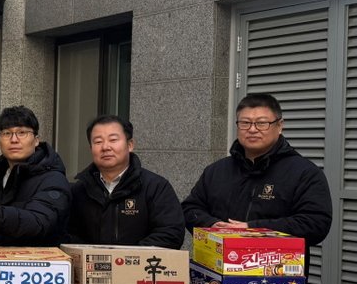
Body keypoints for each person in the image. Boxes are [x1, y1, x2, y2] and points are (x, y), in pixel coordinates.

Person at [181, 93, 333, 257]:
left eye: (262, 123)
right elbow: (190, 209)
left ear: (280, 126)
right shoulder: (216, 170)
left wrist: (252, 229)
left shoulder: (304, 172)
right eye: (245, 123)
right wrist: (213, 225)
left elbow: (316, 223)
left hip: (276, 270)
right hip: (217, 267)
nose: (252, 130)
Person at [67, 115, 186, 247]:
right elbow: (68, 235)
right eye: (98, 142)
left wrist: (128, 256)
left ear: (130, 145)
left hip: (141, 260)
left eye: (113, 140)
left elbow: (170, 233)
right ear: (91, 149)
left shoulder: (155, 187)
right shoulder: (79, 190)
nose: (105, 147)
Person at [0, 106, 70, 247]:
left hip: (38, 259)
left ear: (36, 140)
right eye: (6, 133)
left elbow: (39, 223)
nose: (14, 139)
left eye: (22, 133)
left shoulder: (53, 179)